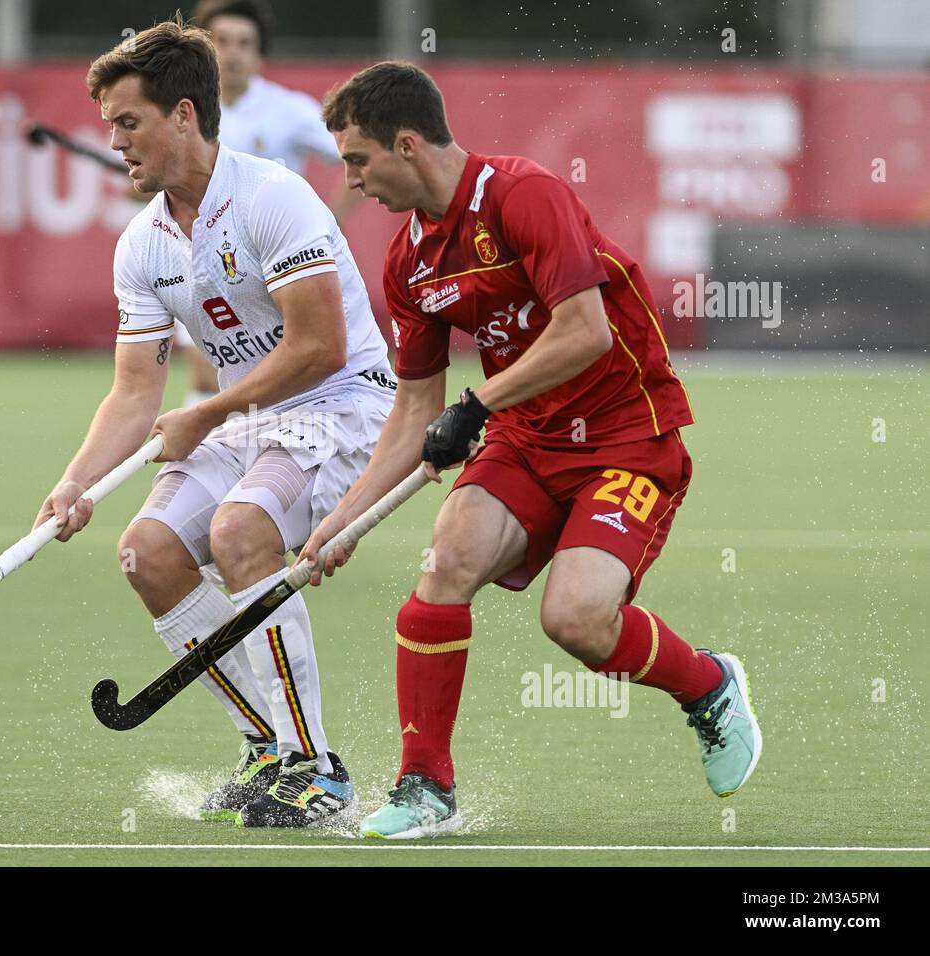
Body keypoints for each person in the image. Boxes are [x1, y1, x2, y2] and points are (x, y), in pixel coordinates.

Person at [301, 61, 762, 839]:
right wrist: (346, 519)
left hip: (626, 435)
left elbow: (586, 332)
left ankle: (708, 684)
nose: (353, 181)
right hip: (526, 437)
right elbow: (415, 407)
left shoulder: (523, 195)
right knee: (446, 563)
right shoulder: (408, 261)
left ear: (406, 144)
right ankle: (424, 789)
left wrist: (478, 402)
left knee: (577, 621)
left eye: (357, 161)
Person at [33, 20, 397, 827]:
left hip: (340, 406)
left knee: (238, 533)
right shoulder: (141, 245)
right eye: (110, 129)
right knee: (147, 553)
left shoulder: (272, 196)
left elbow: (319, 346)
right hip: (248, 418)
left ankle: (317, 767)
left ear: (186, 115)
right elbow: (134, 391)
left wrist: (211, 410)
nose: (117, 143)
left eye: (129, 124)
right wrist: (76, 481)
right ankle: (266, 749)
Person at [173, 0, 364, 406]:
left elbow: (356, 153)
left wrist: (331, 218)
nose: (233, 52)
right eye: (221, 41)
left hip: (273, 265)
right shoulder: (177, 112)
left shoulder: (289, 110)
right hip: (200, 264)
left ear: (259, 54)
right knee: (212, 381)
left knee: (278, 380)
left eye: (245, 43)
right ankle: (221, 464)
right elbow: (134, 190)